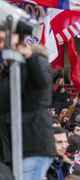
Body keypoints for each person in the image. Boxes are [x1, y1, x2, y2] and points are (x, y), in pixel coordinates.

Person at [0, 39, 55, 180]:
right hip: (17, 149)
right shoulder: (11, 72)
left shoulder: (36, 63)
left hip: (32, 146)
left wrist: (31, 56)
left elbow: (41, 77)